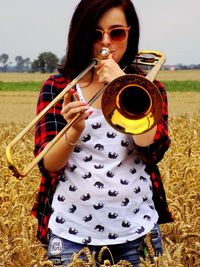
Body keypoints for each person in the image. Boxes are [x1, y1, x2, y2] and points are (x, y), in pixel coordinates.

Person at [32, 0, 173, 266]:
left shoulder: (149, 87)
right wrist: (74, 129)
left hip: (136, 231)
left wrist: (124, 85)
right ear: (81, 35)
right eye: (95, 34)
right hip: (71, 233)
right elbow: (49, 165)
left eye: (116, 32)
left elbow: (151, 151)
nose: (105, 42)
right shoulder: (58, 86)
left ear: (129, 34)